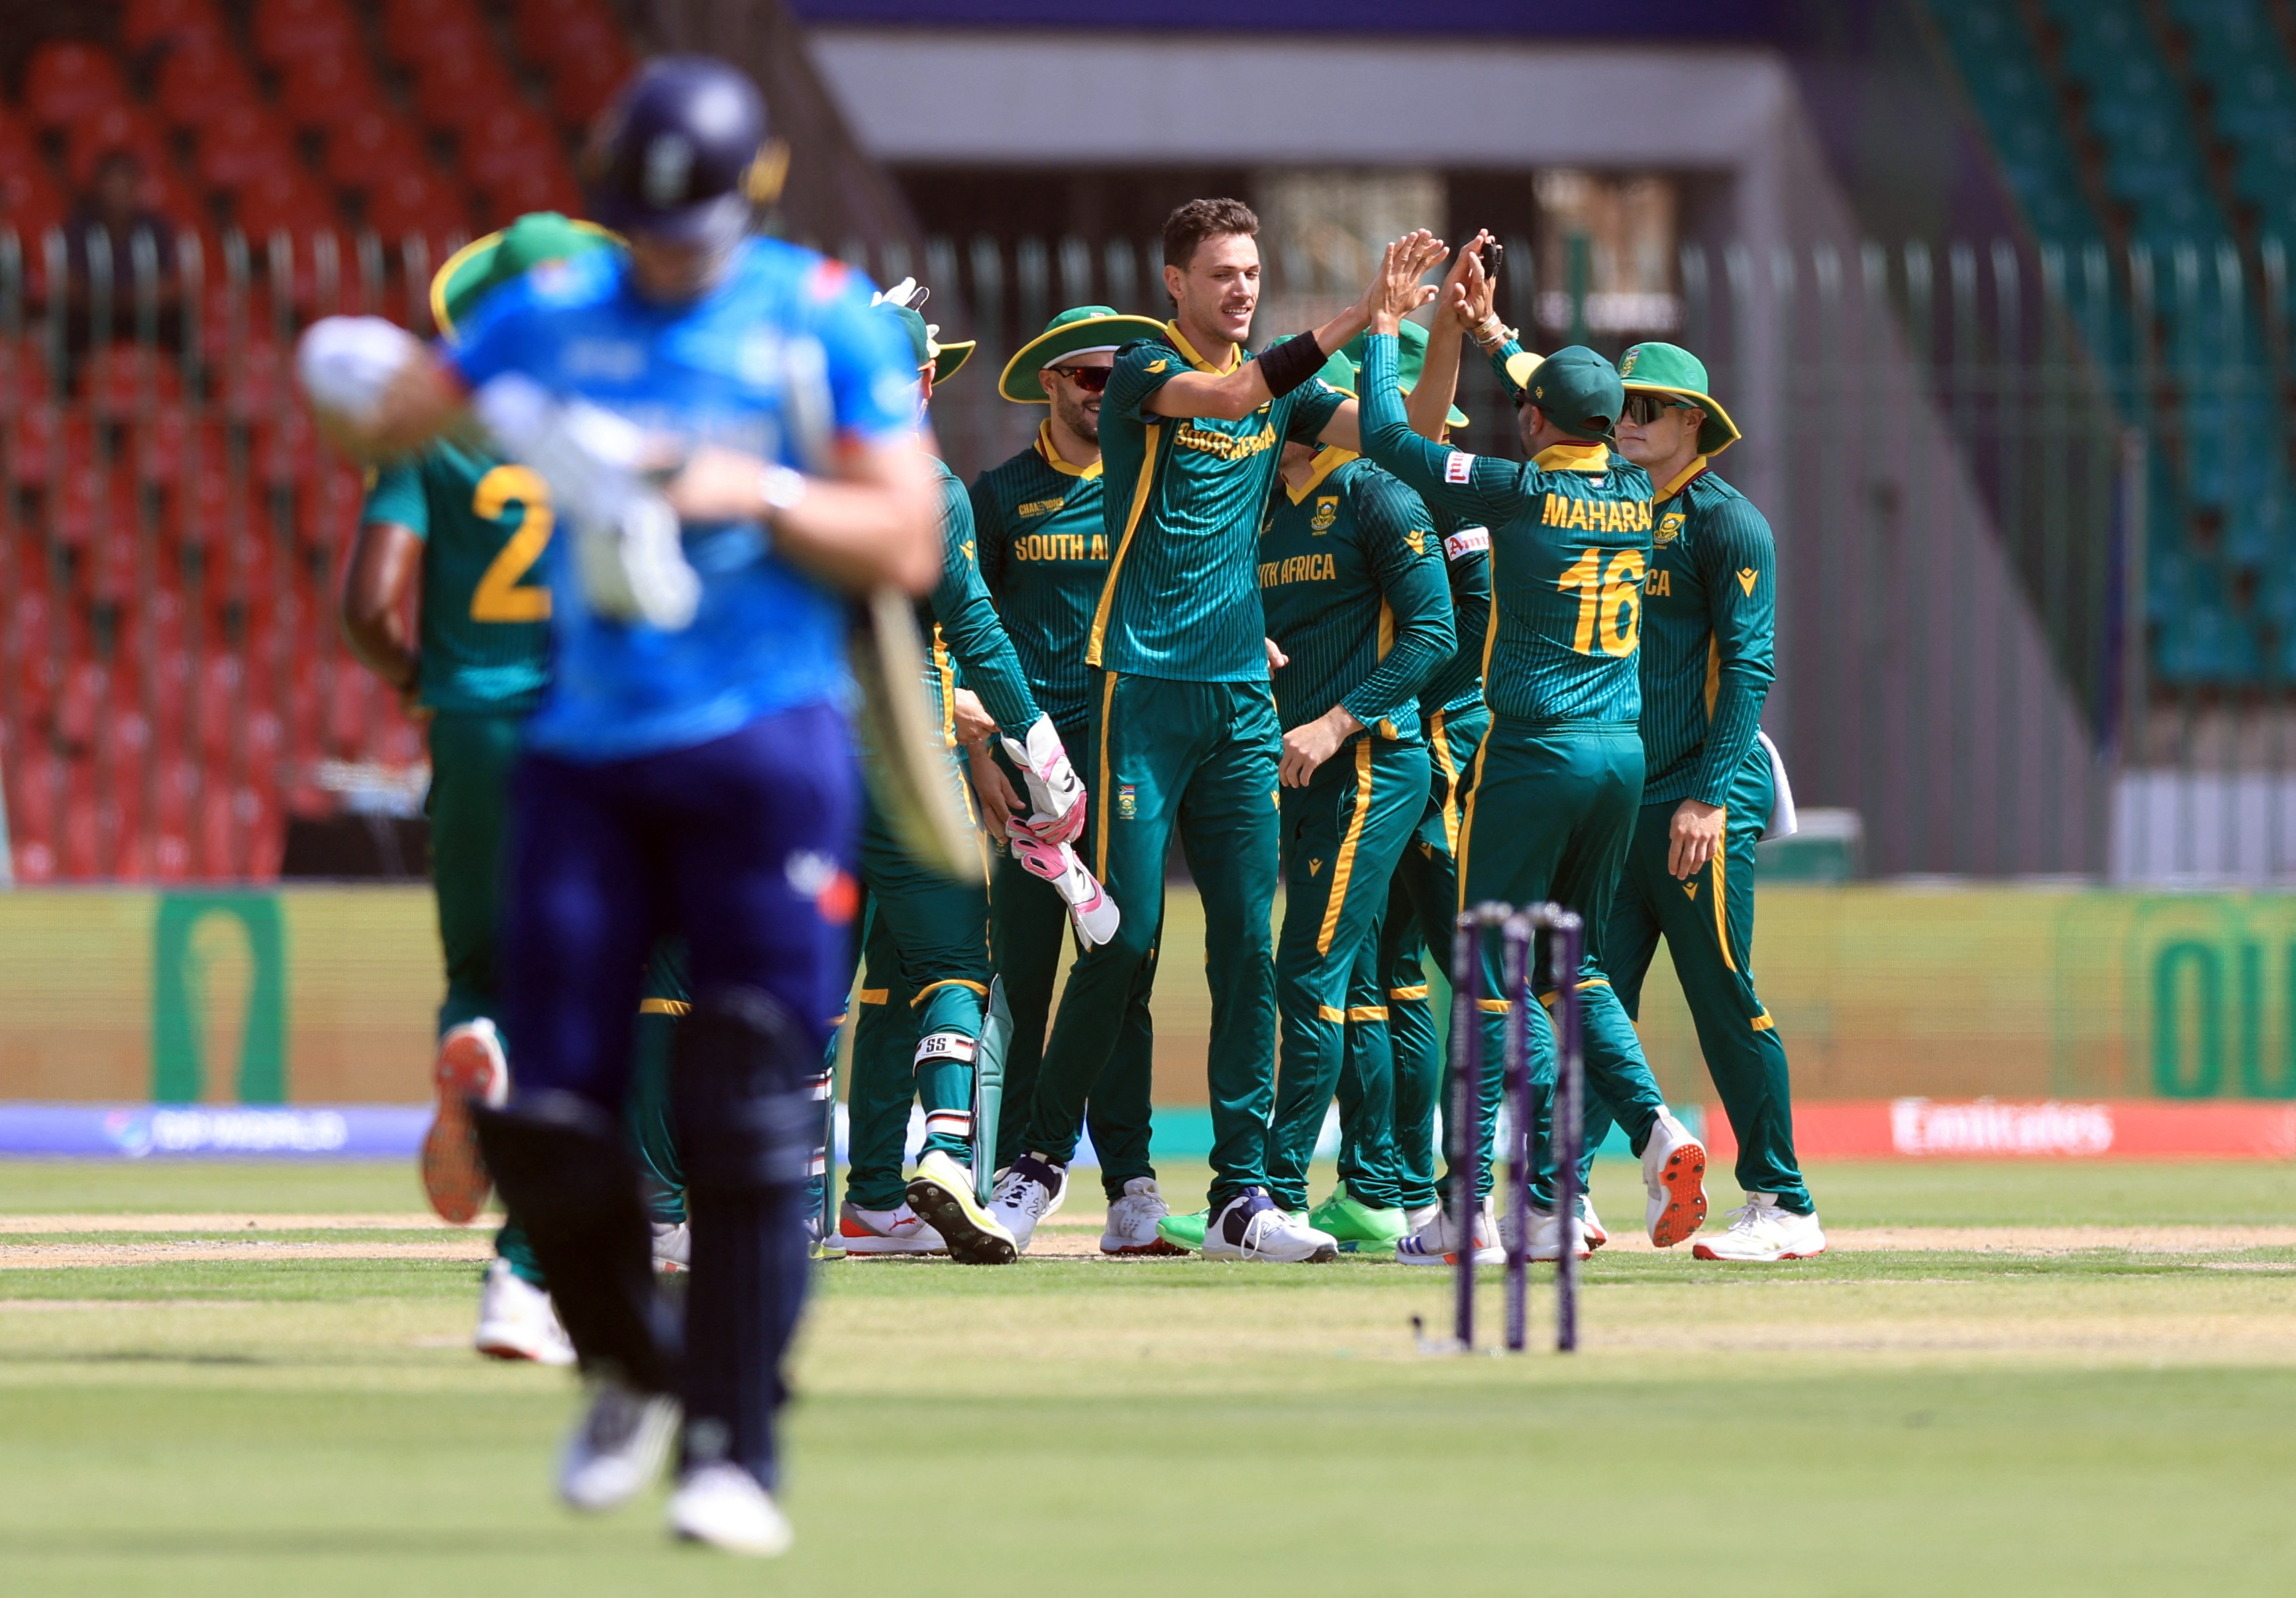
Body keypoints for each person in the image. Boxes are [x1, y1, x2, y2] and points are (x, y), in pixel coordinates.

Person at [295, 57, 939, 1554]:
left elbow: (903, 535)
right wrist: (354, 393)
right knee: (555, 1110)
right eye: (641, 229)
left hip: (765, 749)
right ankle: (630, 1364)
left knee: (747, 1102)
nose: (665, 259)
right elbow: (398, 416)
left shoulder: (817, 316)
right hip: (585, 760)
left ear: (746, 197)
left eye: (690, 228)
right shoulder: (546, 314)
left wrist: (749, 493)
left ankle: (736, 1447)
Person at [982, 199, 1452, 1264]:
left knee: (1246, 947)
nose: (1241, 288)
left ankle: (1243, 1194)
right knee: (1124, 940)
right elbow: (1238, 389)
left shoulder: (1286, 396)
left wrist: (1420, 331)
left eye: (1250, 272)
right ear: (1175, 284)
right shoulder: (1146, 372)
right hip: (1139, 691)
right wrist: (1347, 315)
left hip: (1242, 701)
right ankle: (1037, 1165)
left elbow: (1406, 432)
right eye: (1222, 274)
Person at [341, 212, 692, 1367]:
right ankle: (533, 1264)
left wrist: (423, 681)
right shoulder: (630, 417)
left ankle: (474, 1046)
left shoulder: (435, 427)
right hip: (585, 726)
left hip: (474, 724)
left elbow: (369, 603)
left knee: (479, 972)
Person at [1353, 237, 1708, 1266]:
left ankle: (1473, 1212)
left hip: (1534, 752)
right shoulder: (1638, 493)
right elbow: (1568, 407)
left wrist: (1393, 329)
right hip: (1621, 758)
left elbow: (1386, 436)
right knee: (1575, 963)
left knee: (1494, 975)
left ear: (1536, 421)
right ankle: (1637, 1140)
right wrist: (1500, 340)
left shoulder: (1513, 490)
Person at [835, 281, 1088, 1264]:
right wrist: (1033, 736)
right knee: (951, 967)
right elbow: (974, 628)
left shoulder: (788, 472)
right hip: (905, 761)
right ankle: (944, 1151)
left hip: (799, 758)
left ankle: (832, 1199)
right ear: (927, 378)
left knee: (838, 988)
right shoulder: (927, 487)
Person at [1593, 340, 1824, 1262]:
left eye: (1650, 406)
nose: (1629, 419)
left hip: (1693, 804)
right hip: (1609, 803)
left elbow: (1750, 667)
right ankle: (1562, 1198)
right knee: (1581, 998)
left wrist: (1710, 797)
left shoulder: (1726, 522)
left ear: (1695, 421)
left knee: (1723, 995)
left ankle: (1783, 1201)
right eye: (1622, 403)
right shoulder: (1599, 506)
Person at [968, 304, 1180, 1256]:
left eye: (1118, 378)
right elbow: (959, 631)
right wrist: (980, 753)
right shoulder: (1000, 494)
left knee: (1124, 964)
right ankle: (1010, 1171)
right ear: (1049, 383)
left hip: (1129, 756)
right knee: (1021, 975)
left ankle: (1131, 1187)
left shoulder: (1153, 483)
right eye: (1089, 378)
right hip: (1026, 776)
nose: (1107, 394)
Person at [1255, 338, 1453, 1249]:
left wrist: (1336, 723)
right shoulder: (1262, 508)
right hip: (1298, 773)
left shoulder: (1376, 493)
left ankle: (1275, 1193)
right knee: (1348, 984)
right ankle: (1381, 1195)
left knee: (1315, 974)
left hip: (1372, 764)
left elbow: (1432, 637)